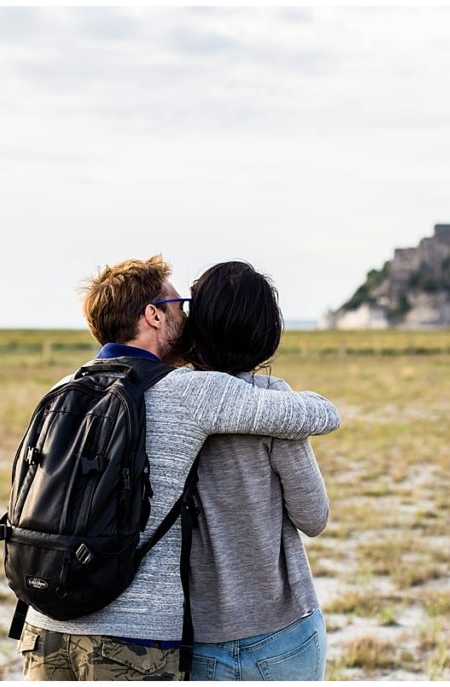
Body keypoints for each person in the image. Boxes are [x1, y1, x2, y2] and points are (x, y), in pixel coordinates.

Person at [17, 255, 341, 681]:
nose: (187, 317)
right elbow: (308, 428)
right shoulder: (190, 393)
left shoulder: (63, 387)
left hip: (42, 623)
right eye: (180, 305)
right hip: (132, 639)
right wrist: (317, 401)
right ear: (152, 315)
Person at [180, 261, 330, 681]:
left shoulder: (174, 400)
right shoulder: (276, 406)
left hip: (200, 636)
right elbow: (313, 517)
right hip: (283, 630)